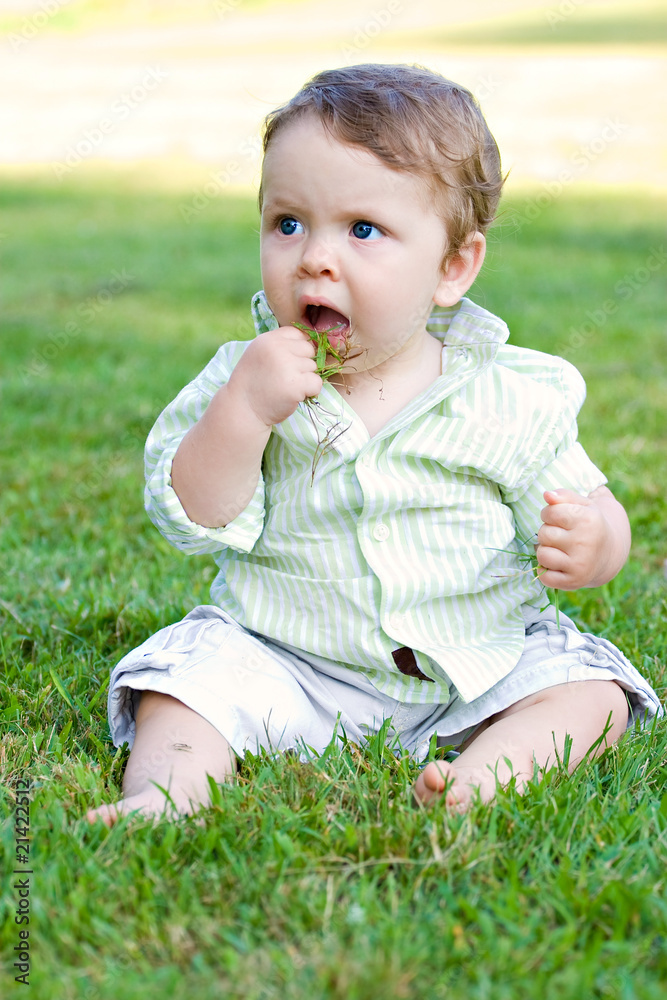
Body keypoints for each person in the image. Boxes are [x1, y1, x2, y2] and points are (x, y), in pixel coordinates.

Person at [87, 63, 661, 825]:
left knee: (588, 694)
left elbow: (589, 503)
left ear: (451, 268)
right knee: (183, 683)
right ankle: (168, 798)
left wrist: (597, 543)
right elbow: (193, 516)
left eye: (363, 230)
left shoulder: (506, 393)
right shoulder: (245, 379)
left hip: (472, 667)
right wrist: (242, 413)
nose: (314, 258)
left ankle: (480, 780)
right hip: (285, 662)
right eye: (287, 223)